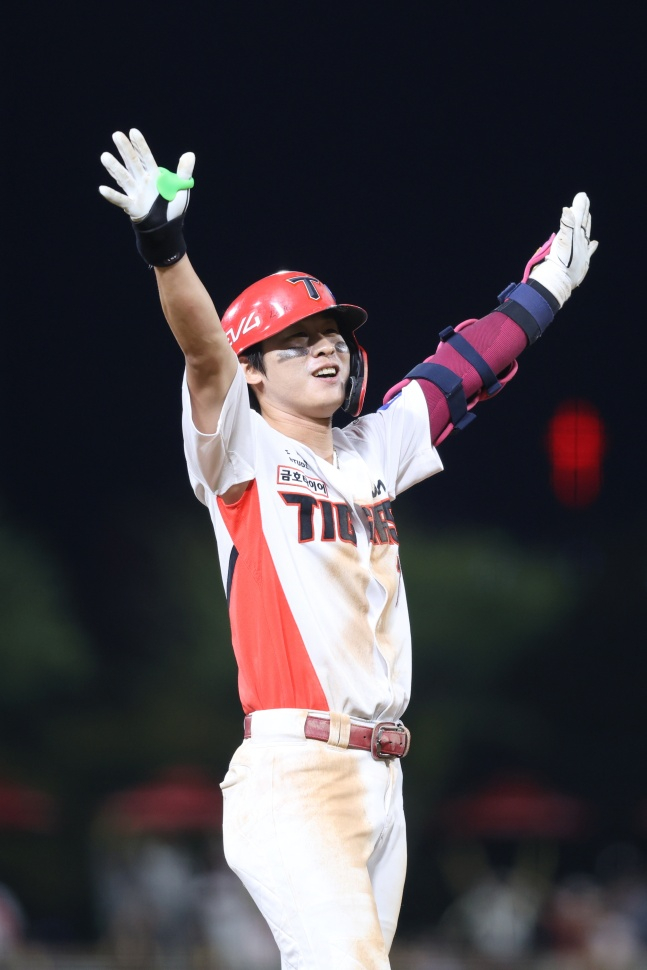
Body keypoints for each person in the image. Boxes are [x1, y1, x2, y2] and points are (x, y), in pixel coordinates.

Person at [99, 128, 597, 970]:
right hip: (294, 769)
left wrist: (543, 287)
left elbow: (461, 369)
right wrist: (164, 246)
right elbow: (202, 351)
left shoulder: (371, 450)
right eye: (298, 339)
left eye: (332, 334)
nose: (326, 346)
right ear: (255, 370)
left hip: (381, 781)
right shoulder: (238, 452)